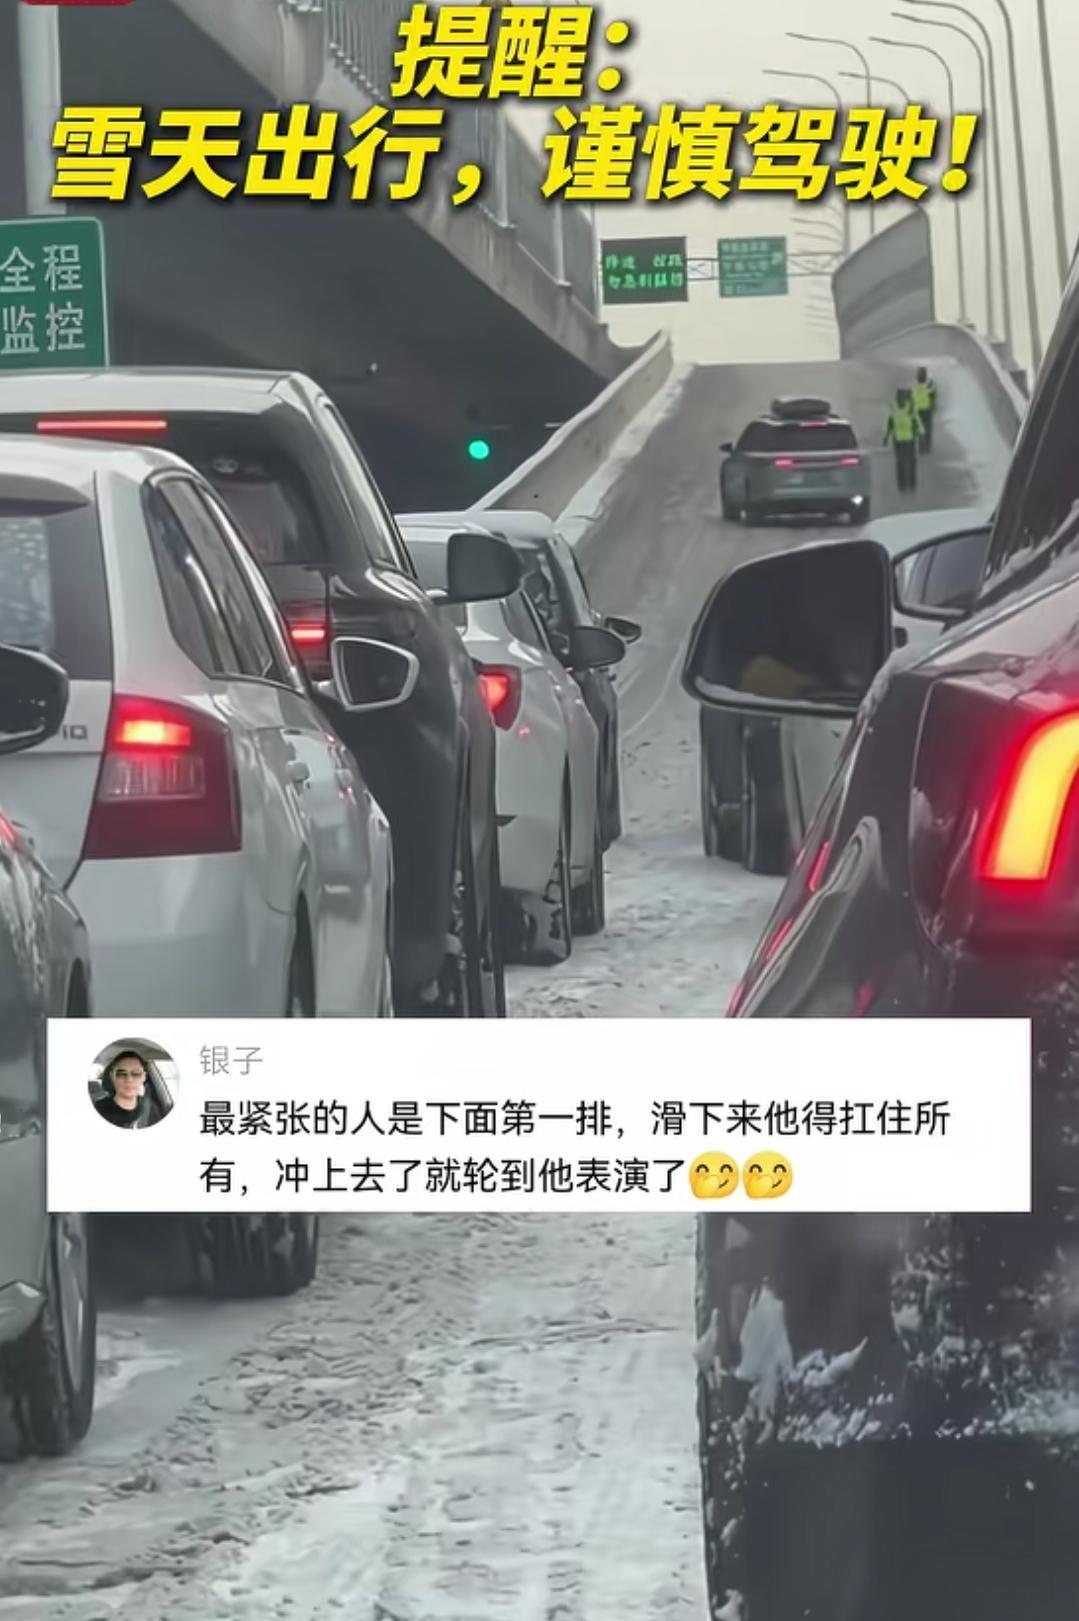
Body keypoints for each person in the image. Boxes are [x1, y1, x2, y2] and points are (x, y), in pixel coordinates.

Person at [94, 1049, 153, 1129]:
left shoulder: (146, 1105)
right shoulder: (98, 1110)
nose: (129, 1079)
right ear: (112, 1077)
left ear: (144, 1077)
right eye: (121, 1074)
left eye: (136, 1073)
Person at [883, 387, 923, 495]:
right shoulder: (894, 409)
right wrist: (886, 436)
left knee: (911, 462)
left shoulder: (911, 408)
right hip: (899, 441)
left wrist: (920, 434)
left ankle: (911, 485)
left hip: (909, 440)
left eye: (903, 398)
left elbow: (917, 422)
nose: (901, 400)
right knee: (900, 463)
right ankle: (902, 486)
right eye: (900, 398)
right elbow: (890, 423)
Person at [912, 366, 937, 453]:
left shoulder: (915, 384)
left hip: (921, 410)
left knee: (922, 429)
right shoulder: (929, 384)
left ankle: (923, 447)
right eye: (920, 373)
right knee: (925, 429)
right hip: (924, 410)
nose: (921, 375)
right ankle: (925, 447)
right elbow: (933, 396)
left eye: (921, 373)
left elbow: (933, 395)